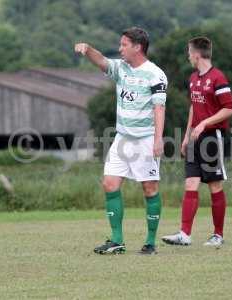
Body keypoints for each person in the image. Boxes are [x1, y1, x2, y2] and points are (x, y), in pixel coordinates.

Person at [75, 27, 167, 255]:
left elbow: (159, 107)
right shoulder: (121, 68)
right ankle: (117, 241)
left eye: (124, 44)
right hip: (122, 139)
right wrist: (87, 50)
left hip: (145, 140)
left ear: (137, 47)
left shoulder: (155, 74)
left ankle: (150, 242)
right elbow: (102, 61)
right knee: (109, 184)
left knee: (149, 188)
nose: (120, 48)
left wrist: (158, 140)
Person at [161, 36, 232, 248]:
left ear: (196, 54)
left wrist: (205, 125)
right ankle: (184, 234)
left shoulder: (218, 77)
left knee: (214, 185)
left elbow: (229, 108)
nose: (188, 56)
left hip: (213, 138)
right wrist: (187, 135)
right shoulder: (193, 78)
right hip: (195, 138)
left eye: (189, 52)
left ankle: (218, 235)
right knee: (190, 183)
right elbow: (194, 107)